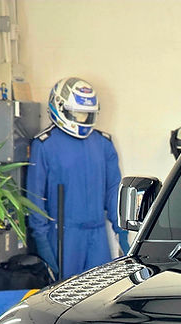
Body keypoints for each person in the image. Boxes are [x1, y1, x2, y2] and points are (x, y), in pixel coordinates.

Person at [26, 77, 128, 279]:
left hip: (97, 235)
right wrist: (43, 245)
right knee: (64, 300)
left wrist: (123, 234)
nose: (82, 119)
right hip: (63, 236)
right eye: (78, 113)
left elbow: (114, 192)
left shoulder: (103, 143)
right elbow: (35, 199)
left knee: (101, 296)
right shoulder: (45, 145)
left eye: (86, 115)